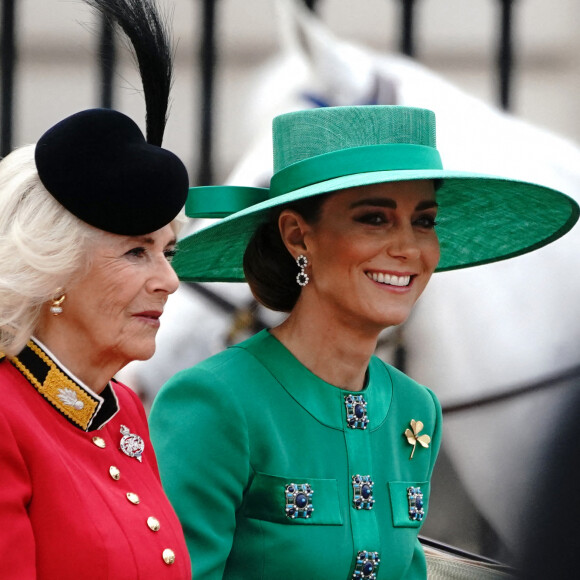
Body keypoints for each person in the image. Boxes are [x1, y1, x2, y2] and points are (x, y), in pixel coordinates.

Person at [149, 105, 579, 579]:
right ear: (298, 236)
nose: (408, 248)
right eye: (374, 218)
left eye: (425, 221)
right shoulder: (214, 402)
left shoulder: (416, 409)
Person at [0, 0, 191, 577]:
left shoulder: (123, 409)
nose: (170, 281)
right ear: (53, 270)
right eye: (137, 251)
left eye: (168, 251)